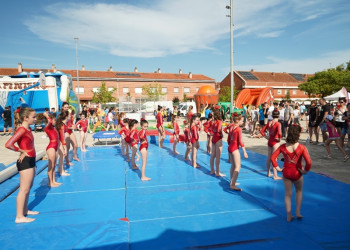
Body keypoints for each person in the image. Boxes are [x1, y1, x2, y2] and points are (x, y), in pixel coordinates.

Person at [271, 124, 312, 222]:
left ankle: (289, 215)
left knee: (288, 194)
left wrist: (278, 168)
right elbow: (309, 162)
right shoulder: (301, 147)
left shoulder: (283, 147)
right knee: (299, 191)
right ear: (298, 135)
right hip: (297, 173)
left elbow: (273, 158)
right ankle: (298, 212)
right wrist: (305, 171)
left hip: (287, 173)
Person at [5, 107, 39, 223]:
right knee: (23, 189)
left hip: (31, 160)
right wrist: (21, 151)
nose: (35, 119)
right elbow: (8, 144)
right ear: (25, 118)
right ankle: (19, 217)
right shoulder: (21, 130)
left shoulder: (27, 128)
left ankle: (25, 210)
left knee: (28, 188)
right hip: (25, 161)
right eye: (33, 117)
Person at [228, 112, 248, 191]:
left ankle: (232, 181)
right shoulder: (238, 129)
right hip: (234, 148)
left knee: (233, 165)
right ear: (238, 120)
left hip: (230, 147)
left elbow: (229, 138)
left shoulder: (231, 127)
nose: (243, 122)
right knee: (238, 167)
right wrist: (244, 151)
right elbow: (240, 141)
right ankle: (233, 184)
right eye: (242, 121)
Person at [260, 109, 282, 180]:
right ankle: (275, 176)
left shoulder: (269, 123)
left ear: (272, 115)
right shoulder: (278, 124)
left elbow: (262, 131)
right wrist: (279, 138)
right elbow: (279, 133)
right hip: (275, 142)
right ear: (278, 116)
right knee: (274, 158)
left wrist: (267, 138)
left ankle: (268, 172)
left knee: (269, 157)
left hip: (270, 141)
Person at [43, 111, 62, 187]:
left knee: (54, 165)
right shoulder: (47, 127)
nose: (55, 121)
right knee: (51, 166)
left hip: (55, 147)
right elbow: (49, 122)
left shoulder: (53, 128)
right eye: (54, 120)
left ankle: (53, 181)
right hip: (51, 147)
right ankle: (50, 182)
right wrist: (46, 115)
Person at [210, 109, 225, 176]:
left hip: (214, 137)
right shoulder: (219, 121)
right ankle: (218, 172)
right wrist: (221, 134)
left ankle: (212, 170)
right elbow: (219, 129)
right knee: (218, 156)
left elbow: (212, 129)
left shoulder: (214, 122)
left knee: (213, 155)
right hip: (218, 138)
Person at [56, 112, 69, 176]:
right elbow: (62, 136)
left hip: (58, 141)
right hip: (60, 142)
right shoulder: (62, 125)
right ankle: (61, 171)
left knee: (61, 155)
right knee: (62, 155)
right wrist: (64, 147)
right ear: (66, 117)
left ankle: (59, 169)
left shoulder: (60, 124)